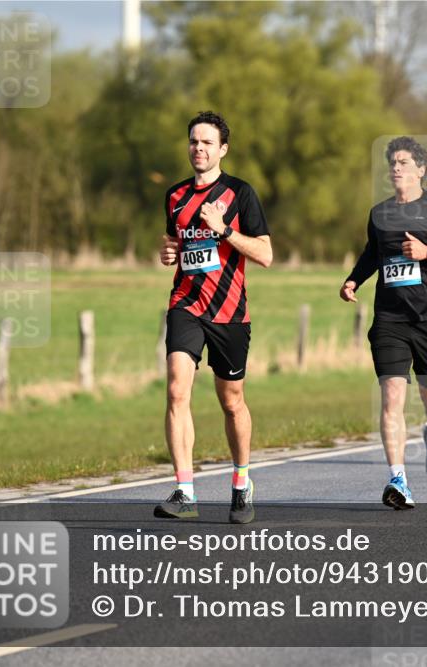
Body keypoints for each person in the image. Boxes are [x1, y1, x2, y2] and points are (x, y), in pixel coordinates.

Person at [340, 136, 427, 509]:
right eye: (393, 163)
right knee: (391, 398)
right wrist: (355, 279)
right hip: (390, 318)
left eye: (404, 162)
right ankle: (398, 480)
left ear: (421, 169)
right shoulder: (379, 213)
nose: (396, 168)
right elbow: (373, 253)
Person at [156, 111, 272, 523]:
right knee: (176, 390)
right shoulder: (174, 196)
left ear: (222, 149)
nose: (198, 148)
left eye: (206, 142)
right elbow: (174, 246)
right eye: (193, 141)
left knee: (232, 401)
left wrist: (224, 230)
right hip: (186, 304)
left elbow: (265, 255)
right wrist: (167, 253)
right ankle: (185, 490)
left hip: (230, 314)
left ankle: (241, 483)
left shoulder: (240, 193)